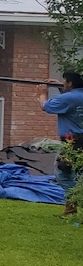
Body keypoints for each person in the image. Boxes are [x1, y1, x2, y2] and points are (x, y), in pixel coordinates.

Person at [39, 71, 83, 216]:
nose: (63, 84)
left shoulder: (69, 98)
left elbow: (46, 106)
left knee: (62, 173)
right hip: (79, 140)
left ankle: (74, 204)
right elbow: (70, 100)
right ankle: (71, 209)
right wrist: (59, 87)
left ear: (70, 83)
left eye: (65, 82)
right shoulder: (76, 96)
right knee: (75, 173)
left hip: (72, 142)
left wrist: (42, 94)